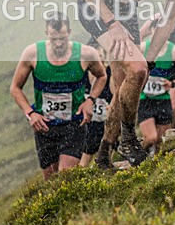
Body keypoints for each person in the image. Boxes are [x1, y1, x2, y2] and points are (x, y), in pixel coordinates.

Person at [75, 0, 175, 168]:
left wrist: (150, 60)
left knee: (132, 79)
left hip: (124, 6)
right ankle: (129, 140)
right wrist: (113, 26)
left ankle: (104, 154)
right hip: (95, 4)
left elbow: (168, 20)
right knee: (137, 69)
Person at [10, 14, 107, 180]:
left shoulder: (86, 54)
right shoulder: (33, 54)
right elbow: (15, 88)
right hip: (45, 126)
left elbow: (102, 76)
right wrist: (30, 114)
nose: (59, 43)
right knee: (51, 180)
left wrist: (90, 100)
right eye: (54, 39)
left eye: (62, 38)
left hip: (74, 124)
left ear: (69, 32)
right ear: (46, 33)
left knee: (65, 178)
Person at [138, 38, 175, 154]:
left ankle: (155, 166)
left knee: (162, 142)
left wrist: (172, 83)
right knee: (150, 138)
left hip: (163, 100)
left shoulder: (173, 50)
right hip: (144, 100)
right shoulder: (143, 47)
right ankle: (139, 157)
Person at [80, 41, 114, 167]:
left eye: (100, 56)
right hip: (86, 124)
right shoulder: (82, 75)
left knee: (105, 161)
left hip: (106, 123)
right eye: (95, 57)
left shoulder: (110, 73)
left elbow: (115, 93)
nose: (98, 59)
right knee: (83, 162)